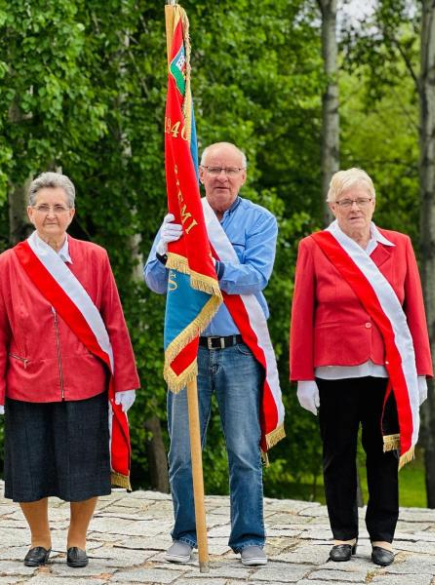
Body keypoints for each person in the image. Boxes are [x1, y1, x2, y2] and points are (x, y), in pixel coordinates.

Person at [0, 172, 139, 569]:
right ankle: (39, 539)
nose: (51, 214)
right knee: (29, 471)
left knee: (85, 470)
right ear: (30, 211)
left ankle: (77, 540)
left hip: (85, 382)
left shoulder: (95, 257)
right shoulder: (6, 265)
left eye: (59, 207)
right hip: (27, 382)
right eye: (44, 207)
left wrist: (125, 379)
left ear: (72, 213)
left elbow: (113, 321)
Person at [289, 168, 432, 567]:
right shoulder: (315, 247)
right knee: (338, 455)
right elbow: (302, 314)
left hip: (387, 372)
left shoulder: (398, 246)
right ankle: (343, 534)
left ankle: (383, 537)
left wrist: (420, 371)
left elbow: (413, 312)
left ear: (373, 203)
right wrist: (302, 375)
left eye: (361, 200)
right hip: (333, 370)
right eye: (346, 201)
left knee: (382, 454)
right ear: (332, 206)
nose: (354, 208)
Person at [144, 142, 278, 566]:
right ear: (200, 174)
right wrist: (168, 252)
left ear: (243, 175)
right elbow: (154, 281)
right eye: (214, 169)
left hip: (238, 350)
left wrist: (204, 263)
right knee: (183, 453)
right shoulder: (179, 216)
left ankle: (249, 538)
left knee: (242, 451)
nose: (222, 177)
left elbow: (255, 277)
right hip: (191, 350)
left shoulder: (260, 220)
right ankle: (185, 535)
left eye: (230, 170)